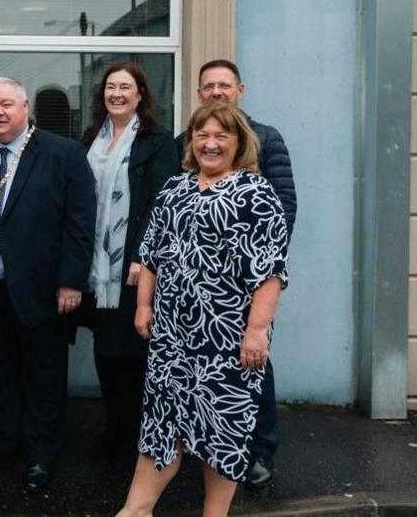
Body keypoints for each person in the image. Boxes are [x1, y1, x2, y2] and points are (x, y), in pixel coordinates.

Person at [117, 103, 289, 517]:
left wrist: (257, 330)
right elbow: (151, 254)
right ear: (191, 141)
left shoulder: (256, 194)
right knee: (161, 428)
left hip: (227, 342)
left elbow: (270, 271)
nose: (210, 144)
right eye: (202, 135)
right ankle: (135, 510)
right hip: (172, 341)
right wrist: (143, 306)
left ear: (238, 142)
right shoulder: (175, 188)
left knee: (221, 433)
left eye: (220, 136)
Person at [0, 77, 96, 491]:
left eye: (6, 105)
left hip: (42, 288)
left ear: (24, 108)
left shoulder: (63, 154)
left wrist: (72, 281)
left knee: (43, 375)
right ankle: (5, 441)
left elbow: (80, 224)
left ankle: (41, 455)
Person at [177, 58, 296, 487]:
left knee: (252, 363)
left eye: (223, 85)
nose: (216, 92)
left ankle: (258, 451)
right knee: (204, 372)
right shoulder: (185, 141)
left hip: (247, 283)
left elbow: (284, 206)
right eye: (208, 86)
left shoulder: (265, 138)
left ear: (239, 90)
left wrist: (265, 274)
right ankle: (209, 447)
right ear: (199, 94)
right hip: (195, 290)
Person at [75, 63, 177, 460]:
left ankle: (137, 440)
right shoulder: (90, 139)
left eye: (125, 87)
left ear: (140, 95)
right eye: (110, 87)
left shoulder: (157, 140)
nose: (116, 93)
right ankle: (115, 433)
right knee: (105, 353)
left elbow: (159, 205)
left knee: (133, 358)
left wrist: (141, 258)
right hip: (95, 271)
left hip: (133, 272)